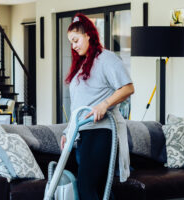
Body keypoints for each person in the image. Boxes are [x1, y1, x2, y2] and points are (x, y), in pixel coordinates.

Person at [60, 13, 134, 200]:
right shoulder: (82, 65)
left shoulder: (106, 59)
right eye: (71, 42)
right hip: (82, 133)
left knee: (87, 188)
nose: (74, 46)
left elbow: (128, 88)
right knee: (98, 190)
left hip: (101, 131)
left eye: (76, 40)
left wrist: (104, 105)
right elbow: (79, 105)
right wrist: (67, 131)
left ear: (88, 35)